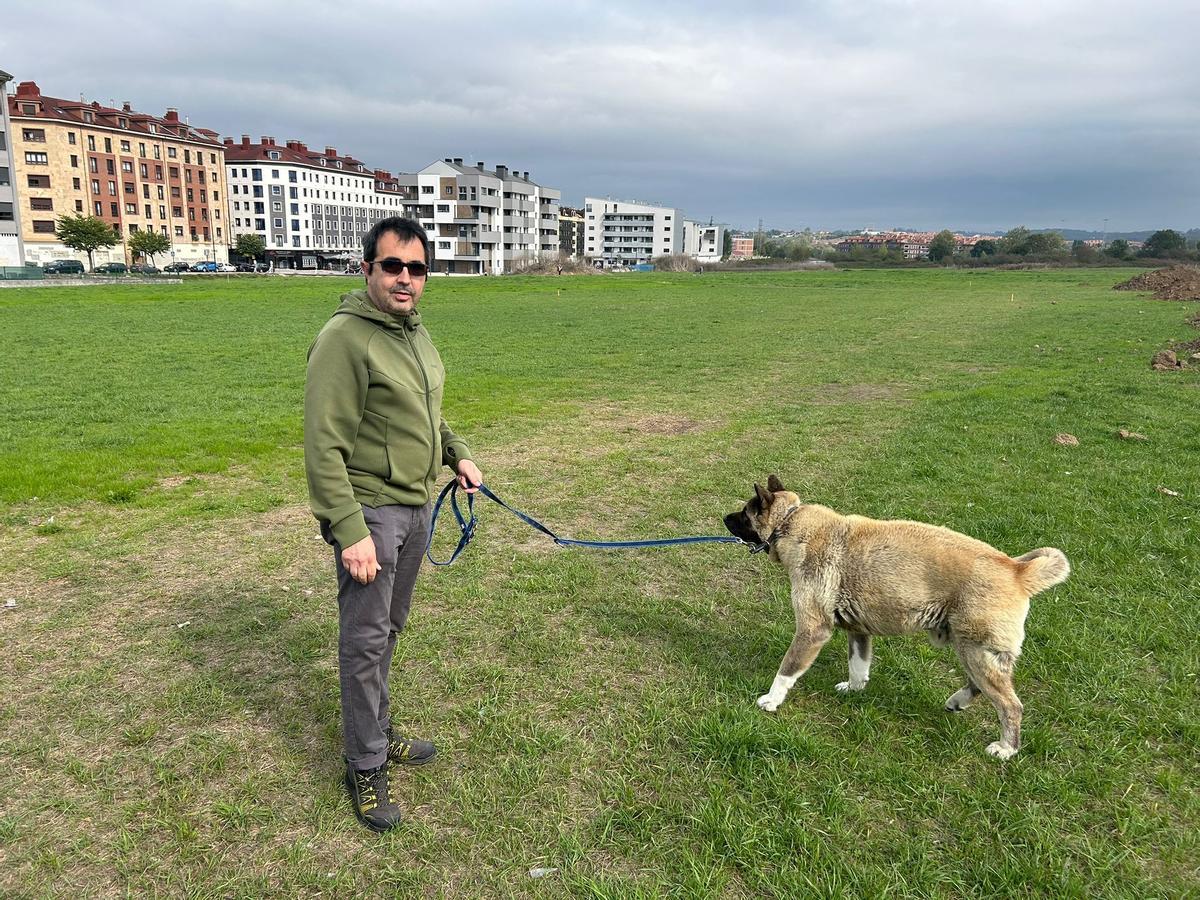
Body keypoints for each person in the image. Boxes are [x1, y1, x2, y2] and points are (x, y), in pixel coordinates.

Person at [304, 217, 483, 832]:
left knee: (389, 630)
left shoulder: (412, 333)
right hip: (371, 511)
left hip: (414, 506)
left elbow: (426, 413)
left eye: (416, 268)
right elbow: (322, 446)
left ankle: (376, 731)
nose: (405, 278)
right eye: (392, 266)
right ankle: (365, 763)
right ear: (369, 270)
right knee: (364, 640)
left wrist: (455, 453)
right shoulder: (345, 339)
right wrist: (349, 529)